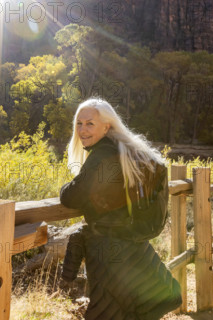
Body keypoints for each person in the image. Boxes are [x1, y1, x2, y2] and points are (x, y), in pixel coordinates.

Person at [60, 97, 182, 320]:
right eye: (79, 123)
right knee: (129, 309)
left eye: (90, 124)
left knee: (110, 311)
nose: (82, 130)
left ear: (107, 126)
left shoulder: (103, 154)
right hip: (129, 244)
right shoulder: (123, 150)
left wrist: (64, 188)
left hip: (108, 250)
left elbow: (72, 196)